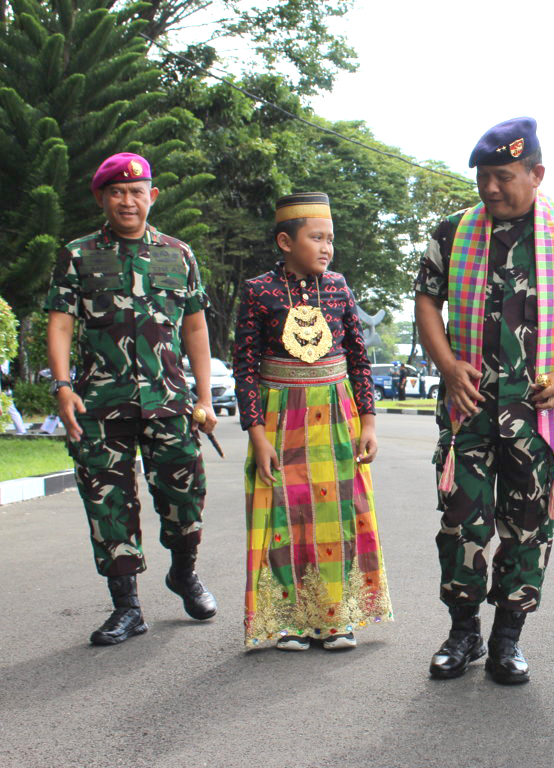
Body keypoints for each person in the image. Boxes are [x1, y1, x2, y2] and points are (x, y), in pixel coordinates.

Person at [414, 117, 554, 685]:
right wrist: (448, 367)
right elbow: (427, 302)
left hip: (537, 412)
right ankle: (463, 632)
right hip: (469, 407)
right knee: (461, 523)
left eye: (503, 177)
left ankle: (506, 639)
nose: (491, 189)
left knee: (528, 527)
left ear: (536, 174)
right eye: (483, 178)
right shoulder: (452, 232)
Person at [44, 152, 218, 645]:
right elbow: (60, 322)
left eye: (136, 191)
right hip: (100, 405)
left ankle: (183, 573)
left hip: (169, 402)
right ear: (102, 198)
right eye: (116, 192)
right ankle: (127, 608)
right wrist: (61, 387)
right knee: (109, 507)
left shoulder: (177, 254)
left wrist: (203, 397)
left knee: (185, 501)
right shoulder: (78, 255)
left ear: (152, 196)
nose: (127, 200)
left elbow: (196, 326)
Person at [233, 192, 391, 651]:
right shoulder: (258, 291)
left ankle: (337, 617)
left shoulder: (340, 287)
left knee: (339, 512)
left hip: (337, 415)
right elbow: (244, 367)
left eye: (330, 239)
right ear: (285, 240)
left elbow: (359, 361)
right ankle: (288, 620)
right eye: (316, 238)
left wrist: (369, 423)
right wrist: (257, 435)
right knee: (286, 512)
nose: (326, 248)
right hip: (280, 418)